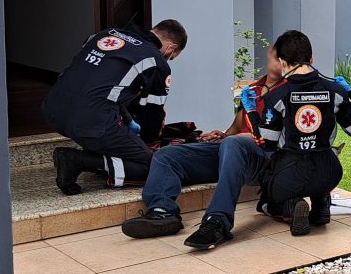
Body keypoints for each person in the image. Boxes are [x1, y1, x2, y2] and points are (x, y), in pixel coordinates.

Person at [182, 30, 351, 249]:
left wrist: (251, 111)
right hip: (330, 173)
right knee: (315, 169)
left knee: (268, 198)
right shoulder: (335, 90)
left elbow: (266, 143)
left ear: (282, 62)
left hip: (291, 175)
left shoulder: (278, 96)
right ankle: (320, 202)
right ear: (311, 59)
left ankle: (289, 205)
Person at [120, 48, 290, 239]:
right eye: (279, 55)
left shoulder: (289, 92)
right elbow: (237, 127)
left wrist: (240, 140)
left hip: (261, 158)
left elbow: (282, 139)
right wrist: (222, 135)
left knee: (233, 145)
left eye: (287, 58)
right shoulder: (253, 89)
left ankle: (217, 221)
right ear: (270, 54)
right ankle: (162, 212)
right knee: (166, 155)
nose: (283, 61)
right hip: (230, 149)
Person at [42, 20, 188, 195]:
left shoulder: (104, 34)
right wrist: (145, 142)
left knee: (106, 120)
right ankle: (77, 160)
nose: (169, 60)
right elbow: (152, 116)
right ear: (171, 48)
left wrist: (126, 120)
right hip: (91, 122)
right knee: (156, 167)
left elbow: (98, 84)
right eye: (172, 57)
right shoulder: (155, 61)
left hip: (53, 110)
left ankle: (97, 151)